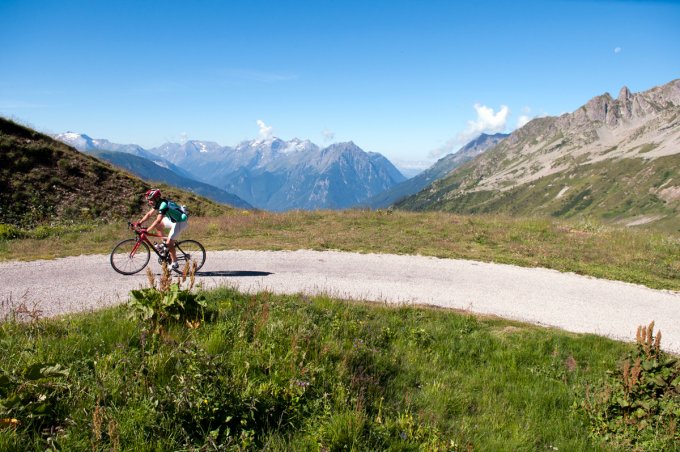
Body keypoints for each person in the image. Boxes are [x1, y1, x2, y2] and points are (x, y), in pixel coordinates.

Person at [135, 188, 188, 270]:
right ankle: (164, 244)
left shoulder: (163, 205)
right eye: (148, 200)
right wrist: (140, 222)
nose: (149, 202)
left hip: (180, 221)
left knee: (170, 242)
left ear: (156, 198)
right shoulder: (158, 203)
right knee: (158, 226)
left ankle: (175, 263)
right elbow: (149, 214)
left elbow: (158, 219)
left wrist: (147, 230)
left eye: (151, 200)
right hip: (173, 220)